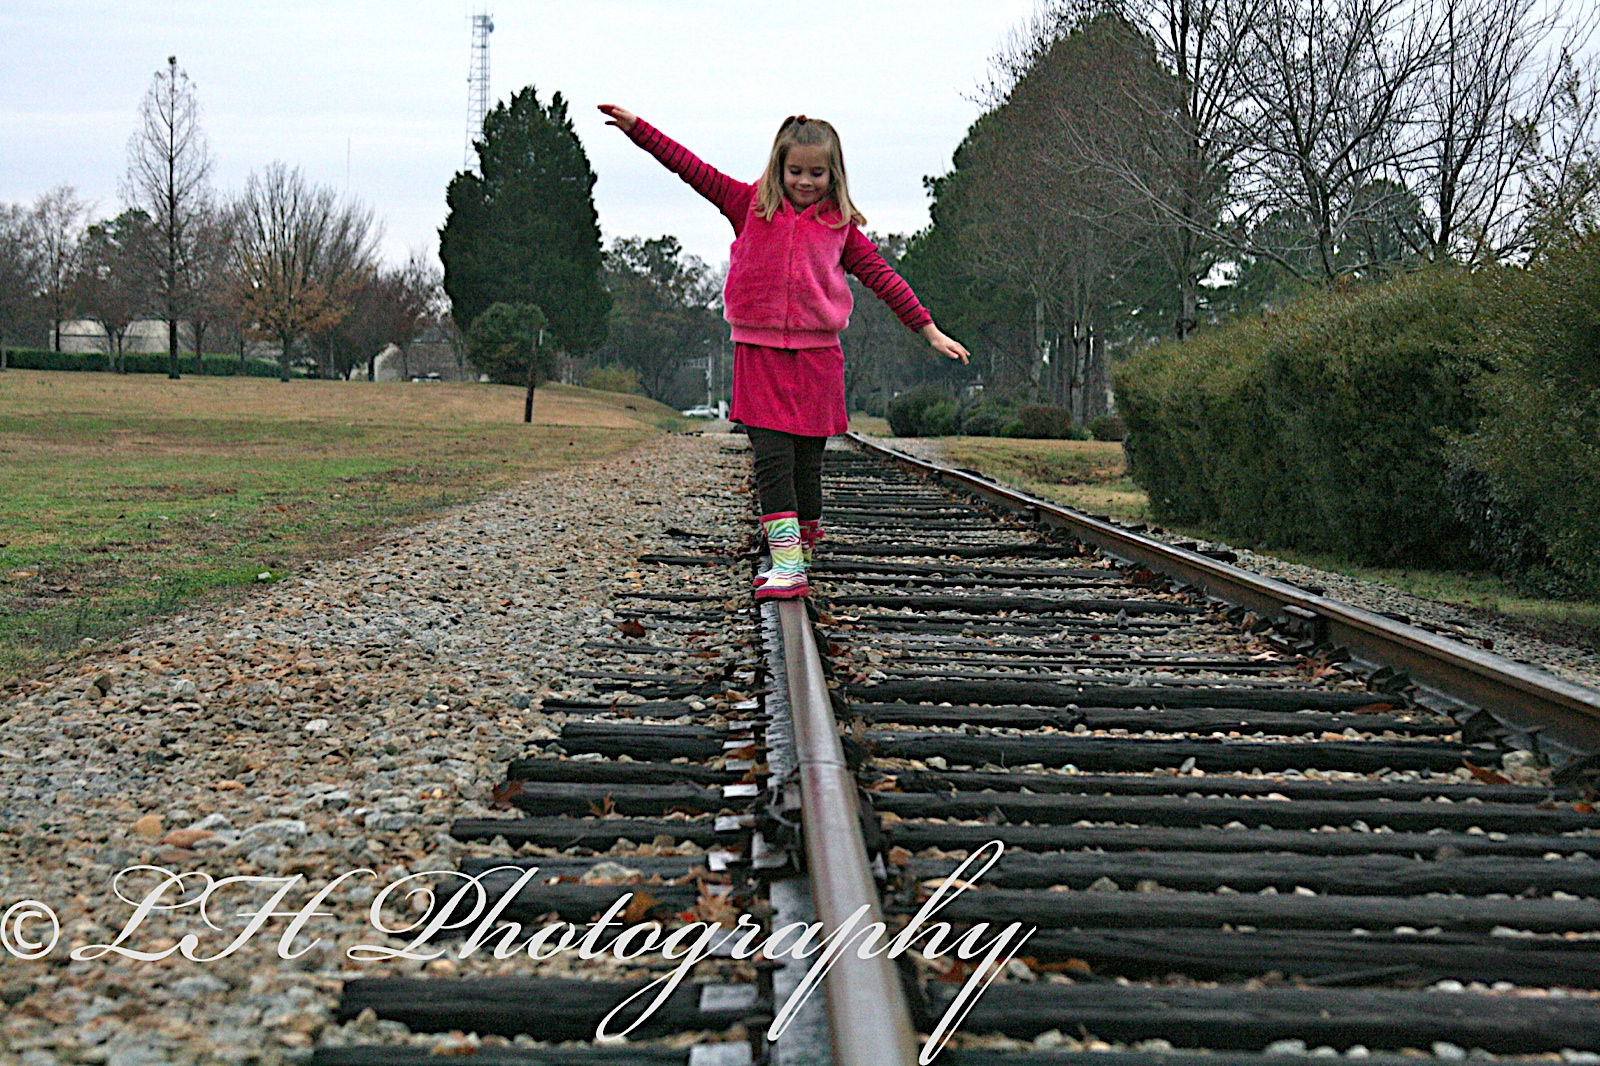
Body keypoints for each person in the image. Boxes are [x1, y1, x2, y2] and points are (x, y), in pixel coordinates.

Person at [600, 104, 970, 600]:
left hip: (818, 361)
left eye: (817, 173)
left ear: (833, 174)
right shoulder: (747, 204)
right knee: (771, 461)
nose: (805, 181)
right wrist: (639, 131)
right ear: (779, 167)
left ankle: (802, 546)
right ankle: (789, 562)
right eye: (795, 171)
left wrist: (927, 329)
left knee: (806, 466)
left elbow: (883, 278)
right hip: (758, 354)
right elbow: (690, 168)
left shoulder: (840, 228)